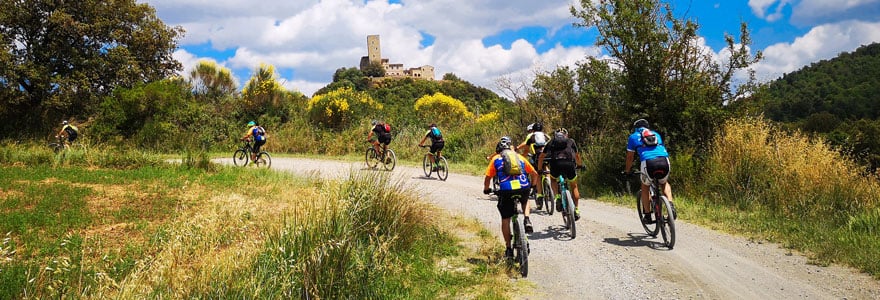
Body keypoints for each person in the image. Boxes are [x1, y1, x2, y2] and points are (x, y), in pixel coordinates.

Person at [483, 140, 539, 258]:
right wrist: (533, 186)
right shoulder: (519, 157)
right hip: (523, 187)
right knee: (525, 200)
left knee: (505, 218)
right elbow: (534, 173)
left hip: (506, 189)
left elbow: (488, 177)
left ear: (498, 151)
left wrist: (486, 189)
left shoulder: (496, 159)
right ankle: (527, 219)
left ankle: (508, 249)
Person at [624, 119, 674, 224]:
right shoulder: (656, 134)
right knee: (664, 183)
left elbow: (629, 157)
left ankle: (647, 215)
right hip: (664, 160)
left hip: (648, 163)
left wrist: (627, 171)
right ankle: (671, 206)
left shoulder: (633, 137)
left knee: (645, 186)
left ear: (636, 128)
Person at [537, 128, 585, 220]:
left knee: (553, 179)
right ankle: (577, 209)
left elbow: (541, 157)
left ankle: (558, 197)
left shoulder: (551, 142)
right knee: (574, 186)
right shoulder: (571, 141)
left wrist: (539, 169)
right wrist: (579, 165)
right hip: (569, 164)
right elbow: (577, 155)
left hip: (556, 165)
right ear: (566, 135)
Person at [517, 122, 550, 209]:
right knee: (546, 167)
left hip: (537, 156)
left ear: (533, 129)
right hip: (548, 156)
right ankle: (548, 182)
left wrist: (522, 157)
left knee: (538, 174)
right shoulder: (546, 136)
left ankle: (539, 194)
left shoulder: (531, 136)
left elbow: (526, 150)